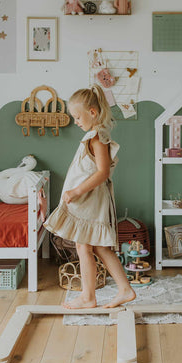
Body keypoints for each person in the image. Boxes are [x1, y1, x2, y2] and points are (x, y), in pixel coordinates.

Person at [43, 84, 136, 309]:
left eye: (77, 116)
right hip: (88, 200)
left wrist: (76, 191)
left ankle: (89, 297)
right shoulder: (93, 136)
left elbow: (102, 172)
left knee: (85, 246)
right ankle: (124, 289)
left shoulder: (97, 137)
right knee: (97, 247)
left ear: (92, 112)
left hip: (91, 200)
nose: (75, 121)